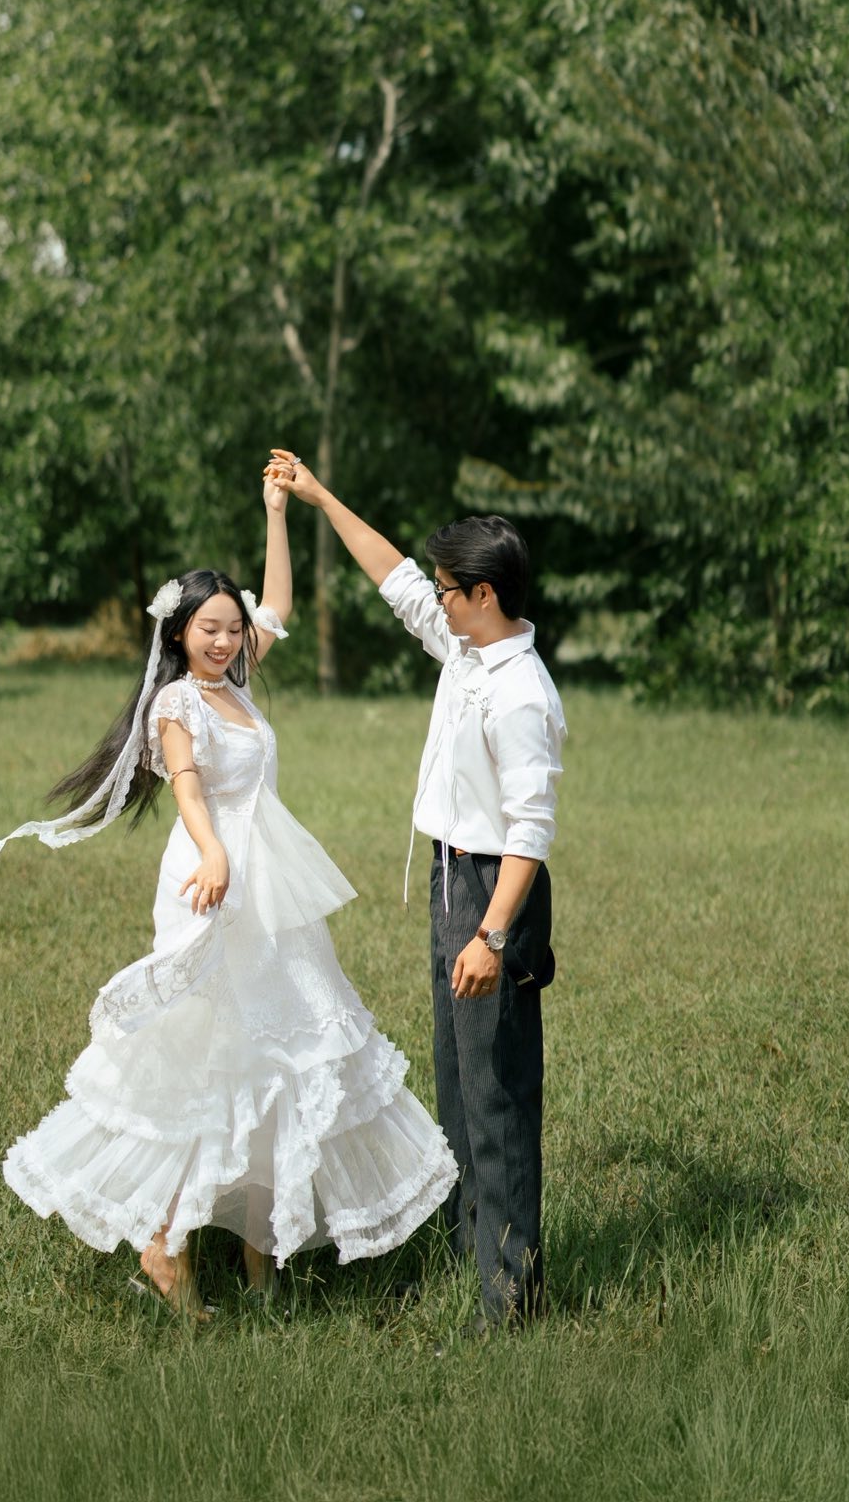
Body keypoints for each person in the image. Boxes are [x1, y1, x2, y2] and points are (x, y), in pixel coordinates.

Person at [0, 472, 456, 1316]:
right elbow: (187, 787)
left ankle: (259, 1251)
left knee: (279, 1047)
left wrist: (278, 513)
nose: (224, 641)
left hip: (272, 886)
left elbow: (277, 596)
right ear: (178, 631)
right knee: (210, 1049)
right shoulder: (178, 700)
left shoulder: (237, 683)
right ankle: (166, 1247)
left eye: (231, 630)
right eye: (209, 630)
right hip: (215, 876)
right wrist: (212, 856)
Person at [265, 451, 565, 1332]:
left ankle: (510, 1302)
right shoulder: (467, 652)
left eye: (446, 588)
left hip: (490, 894)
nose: (433, 598)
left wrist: (491, 936)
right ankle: (470, 1259)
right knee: (457, 1088)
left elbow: (531, 833)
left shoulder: (519, 694)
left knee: (498, 1095)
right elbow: (391, 576)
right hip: (449, 883)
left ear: (482, 594)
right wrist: (319, 499)